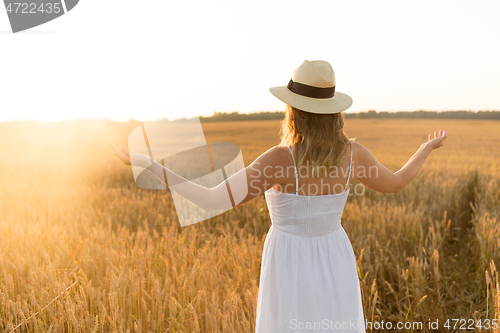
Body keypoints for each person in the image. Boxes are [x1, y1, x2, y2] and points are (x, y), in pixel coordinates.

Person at [110, 59, 447, 332]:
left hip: (289, 261)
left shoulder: (278, 160)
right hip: (335, 257)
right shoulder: (353, 155)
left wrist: (151, 164)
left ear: (293, 111)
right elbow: (398, 181)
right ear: (333, 111)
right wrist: (424, 149)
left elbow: (210, 201)